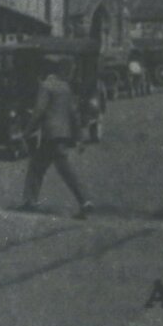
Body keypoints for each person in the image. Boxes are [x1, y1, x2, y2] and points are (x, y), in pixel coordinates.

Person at [19, 56, 94, 218]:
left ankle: (84, 200)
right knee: (48, 167)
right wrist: (80, 138)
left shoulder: (46, 86)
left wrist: (26, 132)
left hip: (50, 135)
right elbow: (73, 114)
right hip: (63, 136)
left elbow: (39, 110)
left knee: (44, 168)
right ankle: (84, 200)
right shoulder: (66, 88)